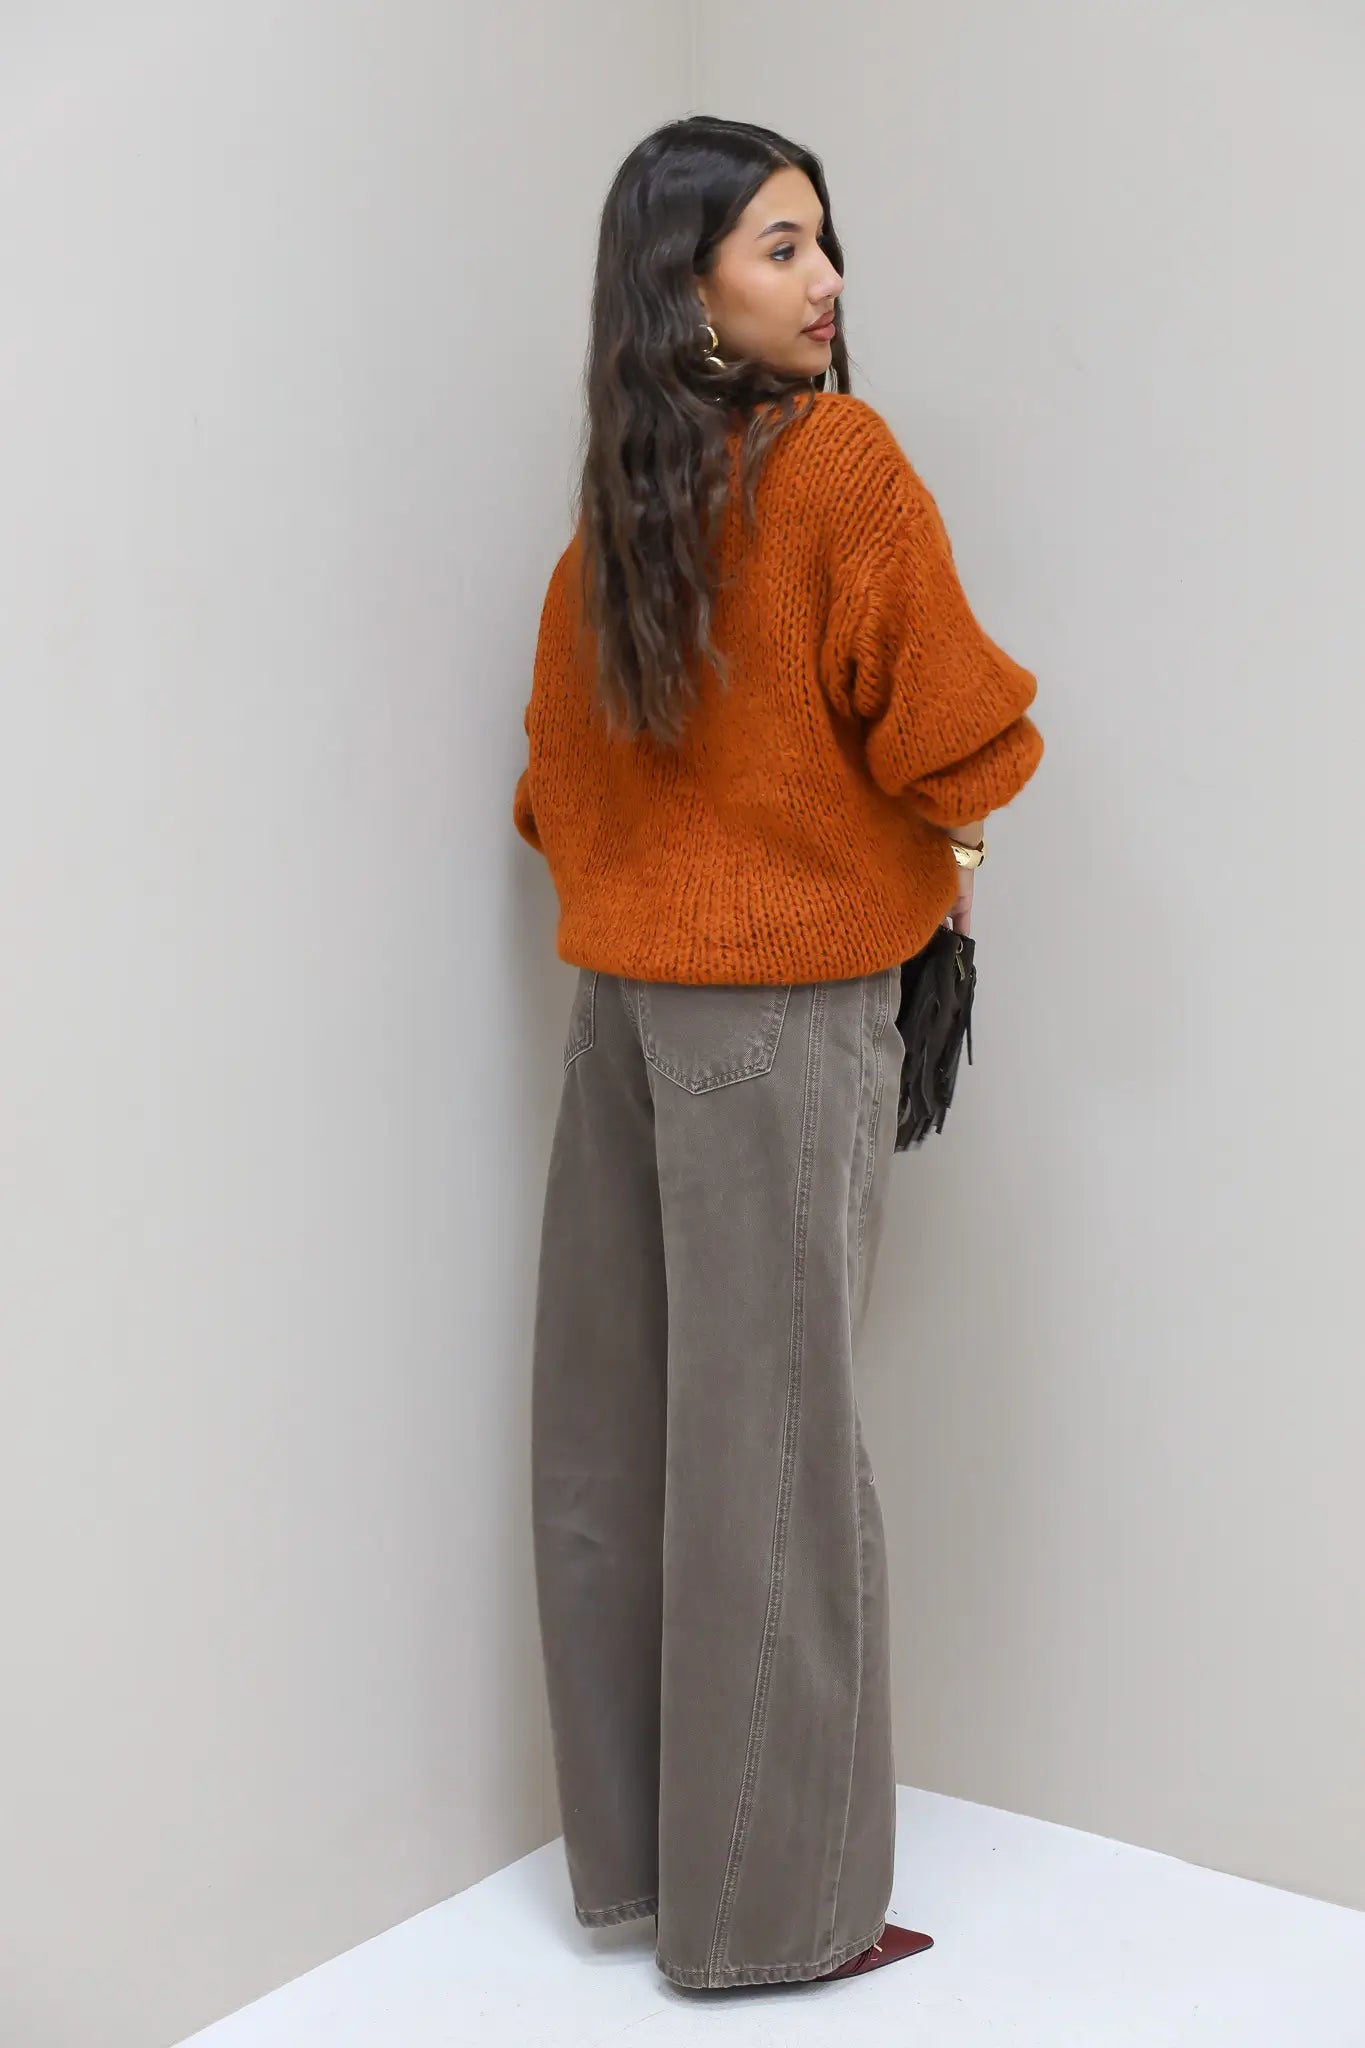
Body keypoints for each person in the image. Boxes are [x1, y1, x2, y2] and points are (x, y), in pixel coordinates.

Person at [512, 114, 1043, 1993]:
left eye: (823, 243)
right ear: (688, 287)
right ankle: (776, 1921)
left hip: (624, 1016)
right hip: (781, 1024)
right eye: (781, 246)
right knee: (777, 1458)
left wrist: (664, 876)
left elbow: (548, 793)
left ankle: (641, 1871)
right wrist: (944, 851)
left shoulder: (621, 516)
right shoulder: (836, 466)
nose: (824, 283)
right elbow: (960, 734)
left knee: (613, 1430)